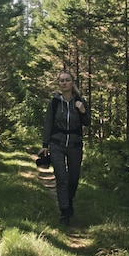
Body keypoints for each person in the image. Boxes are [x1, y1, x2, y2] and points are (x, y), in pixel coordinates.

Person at [38, 71, 90, 225]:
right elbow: (48, 123)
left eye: (67, 80)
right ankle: (64, 211)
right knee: (62, 178)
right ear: (59, 84)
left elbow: (87, 122)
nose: (64, 83)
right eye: (61, 81)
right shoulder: (54, 102)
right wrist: (45, 145)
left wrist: (82, 110)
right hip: (57, 144)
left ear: (72, 83)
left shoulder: (80, 101)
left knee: (73, 179)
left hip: (75, 144)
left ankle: (69, 202)